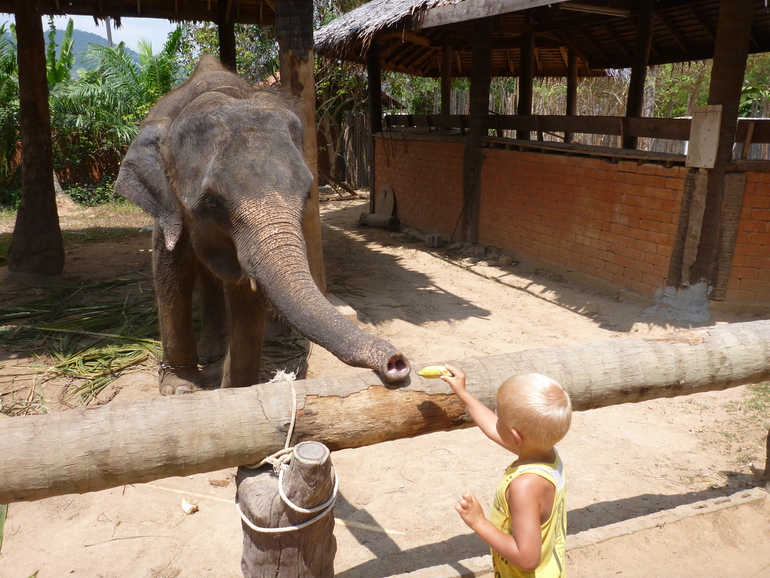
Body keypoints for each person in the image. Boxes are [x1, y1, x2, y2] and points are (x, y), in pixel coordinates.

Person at [442, 364, 572, 577]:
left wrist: (479, 522)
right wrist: (463, 393)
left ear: (516, 437)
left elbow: (527, 559)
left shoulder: (525, 487)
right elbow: (494, 427)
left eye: (499, 416)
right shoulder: (546, 455)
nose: (496, 416)